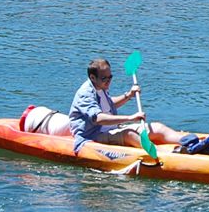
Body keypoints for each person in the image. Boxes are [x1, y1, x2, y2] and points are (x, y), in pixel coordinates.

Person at [43, 58, 188, 148]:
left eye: (110, 77)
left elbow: (108, 105)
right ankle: (164, 157)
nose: (109, 81)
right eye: (104, 78)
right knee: (130, 135)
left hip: (111, 129)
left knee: (158, 128)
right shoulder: (85, 94)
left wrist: (128, 95)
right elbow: (98, 118)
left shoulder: (100, 86)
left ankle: (189, 142)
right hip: (92, 134)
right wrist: (130, 118)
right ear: (92, 77)